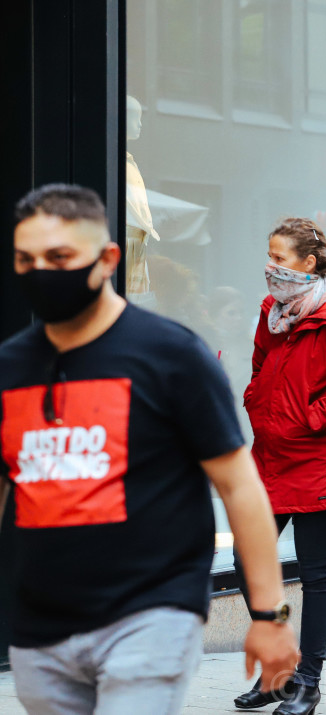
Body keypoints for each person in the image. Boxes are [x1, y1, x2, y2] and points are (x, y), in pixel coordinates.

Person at [0, 184, 299, 714]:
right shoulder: (10, 367)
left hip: (150, 612)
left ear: (108, 259)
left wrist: (269, 616)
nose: (42, 271)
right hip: (38, 623)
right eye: (27, 259)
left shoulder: (171, 354)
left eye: (61, 257)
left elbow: (240, 487)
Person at [235, 217, 326, 714]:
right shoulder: (271, 314)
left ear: (308, 263)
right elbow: (259, 367)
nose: (270, 266)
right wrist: (258, 403)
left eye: (279, 257)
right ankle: (276, 670)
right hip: (269, 458)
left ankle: (307, 681)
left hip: (319, 461)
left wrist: (309, 418)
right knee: (250, 562)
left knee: (315, 572)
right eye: (269, 254)